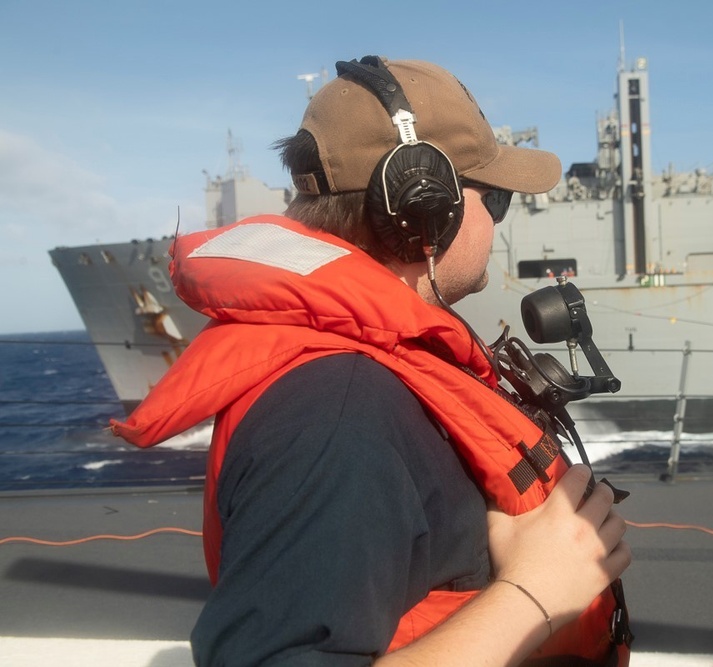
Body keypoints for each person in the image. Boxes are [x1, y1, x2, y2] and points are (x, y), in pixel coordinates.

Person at [112, 55, 632, 666]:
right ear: (422, 207)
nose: (495, 224)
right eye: (493, 201)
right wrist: (534, 593)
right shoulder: (338, 412)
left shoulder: (377, 372)